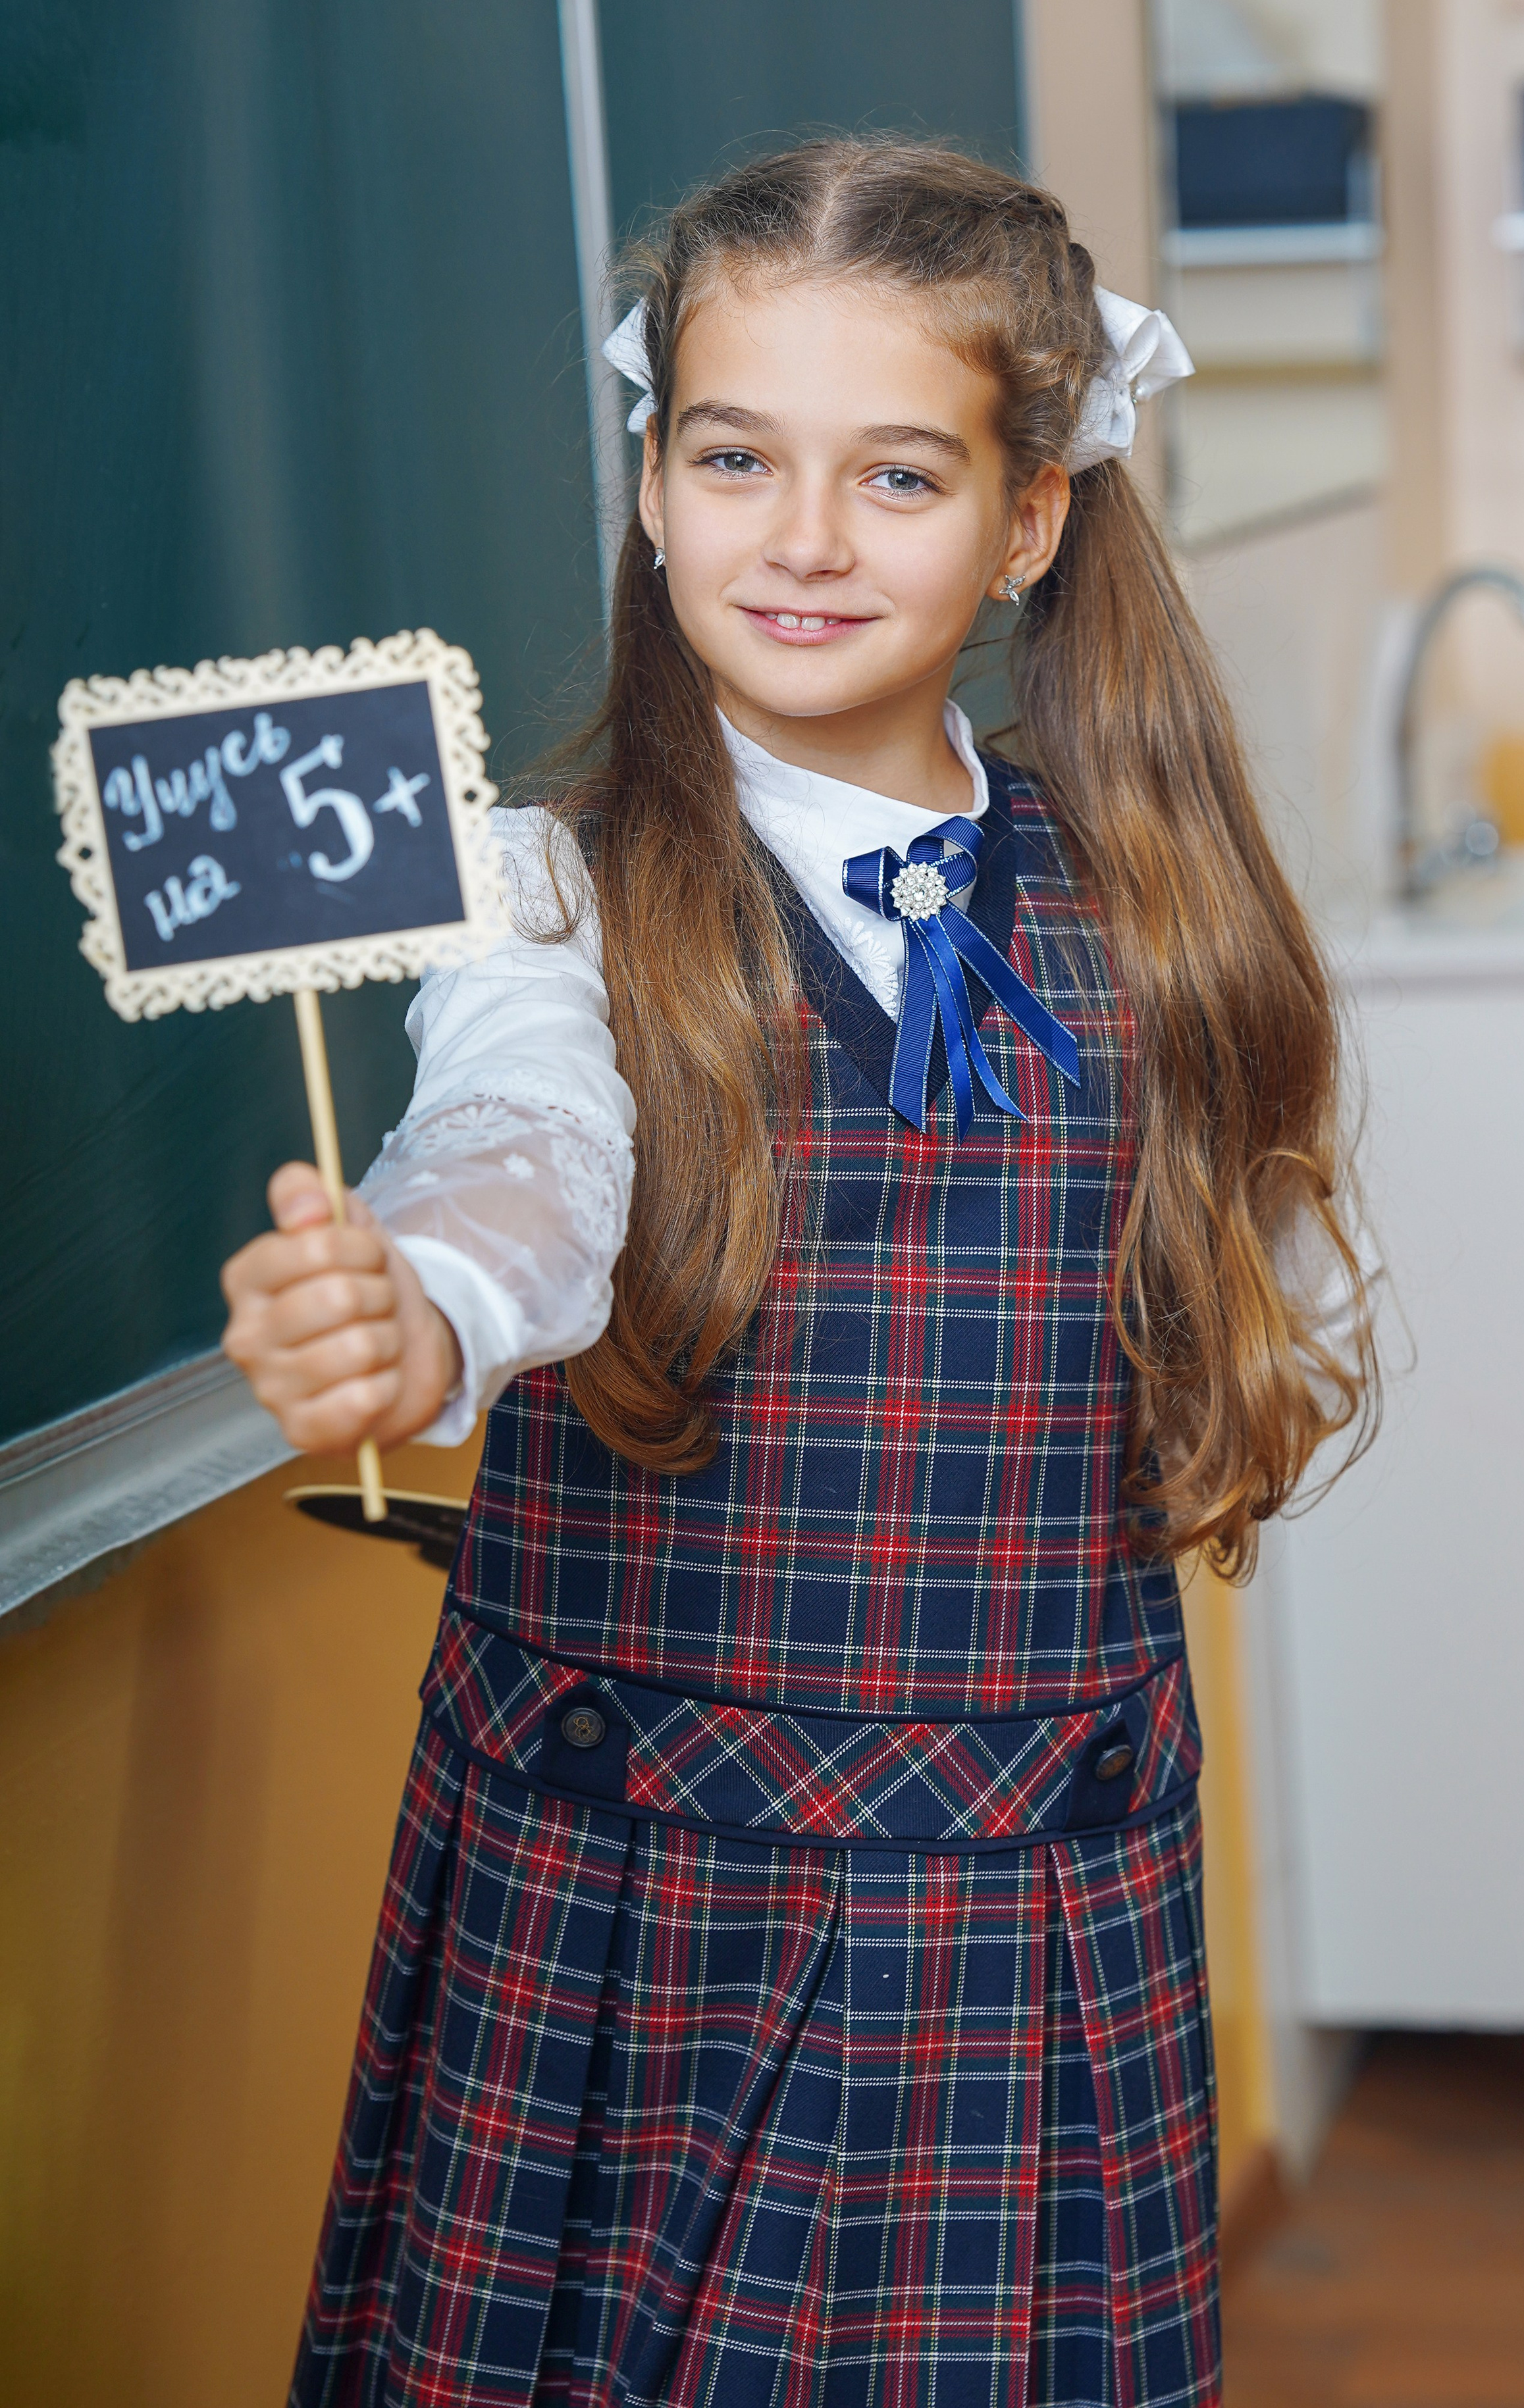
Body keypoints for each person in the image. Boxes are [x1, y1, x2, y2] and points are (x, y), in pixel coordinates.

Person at [222, 137, 1375, 2408]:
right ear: (654, 488)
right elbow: (521, 1157)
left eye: (900, 476)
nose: (806, 539)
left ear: (1028, 522)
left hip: (1028, 1889)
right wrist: (418, 1302)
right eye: (736, 457)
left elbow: (1218, 1281)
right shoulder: (547, 895)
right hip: (652, 1904)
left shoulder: (1156, 900)